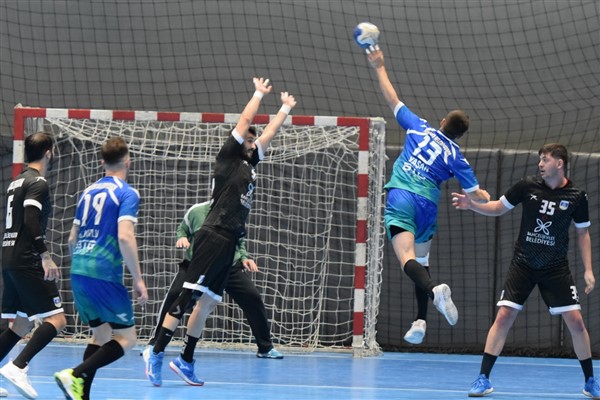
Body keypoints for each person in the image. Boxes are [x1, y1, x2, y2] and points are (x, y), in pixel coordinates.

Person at [144, 77, 296, 387]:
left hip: (230, 242)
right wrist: (258, 94)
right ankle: (156, 353)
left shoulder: (251, 164)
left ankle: (186, 360)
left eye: (253, 141)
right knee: (187, 296)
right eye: (248, 139)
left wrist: (284, 109)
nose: (253, 142)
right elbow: (245, 121)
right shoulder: (228, 158)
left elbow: (268, 133)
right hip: (213, 234)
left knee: (208, 302)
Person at [452, 143, 600, 398]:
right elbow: (498, 207)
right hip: (523, 263)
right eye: (540, 159)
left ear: (559, 163)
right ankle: (483, 378)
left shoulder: (577, 196)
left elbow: (583, 233)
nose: (540, 164)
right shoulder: (527, 185)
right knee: (504, 316)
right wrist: (472, 205)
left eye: (545, 160)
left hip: (555, 267)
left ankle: (590, 381)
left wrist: (588, 270)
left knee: (576, 322)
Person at [365, 45, 490, 344]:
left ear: (443, 122)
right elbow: (477, 194)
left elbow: (392, 98)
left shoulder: (419, 127)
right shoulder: (457, 157)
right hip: (427, 206)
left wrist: (379, 66)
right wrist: (483, 196)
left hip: (402, 196)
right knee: (420, 262)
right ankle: (420, 320)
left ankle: (435, 292)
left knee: (407, 259)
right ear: (459, 135)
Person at [54, 137, 149, 400]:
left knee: (101, 334)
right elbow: (125, 236)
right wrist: (138, 279)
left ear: (102, 162)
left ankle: (80, 394)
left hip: (78, 269)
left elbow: (71, 239)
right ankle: (74, 374)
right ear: (128, 160)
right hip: (103, 272)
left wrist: (81, 266)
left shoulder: (87, 192)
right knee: (128, 338)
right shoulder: (127, 193)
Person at [145, 200, 283, 359]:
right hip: (196, 265)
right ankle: (155, 344)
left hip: (227, 266)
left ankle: (265, 347)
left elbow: (239, 240)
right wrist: (182, 237)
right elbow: (182, 228)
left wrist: (244, 257)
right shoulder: (196, 211)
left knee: (252, 298)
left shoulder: (234, 214)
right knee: (175, 296)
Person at [0, 132, 66, 399]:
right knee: (57, 319)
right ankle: (18, 366)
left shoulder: (16, 181)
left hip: (9, 256)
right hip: (27, 258)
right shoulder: (38, 182)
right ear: (48, 152)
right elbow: (30, 220)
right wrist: (45, 256)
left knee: (21, 324)